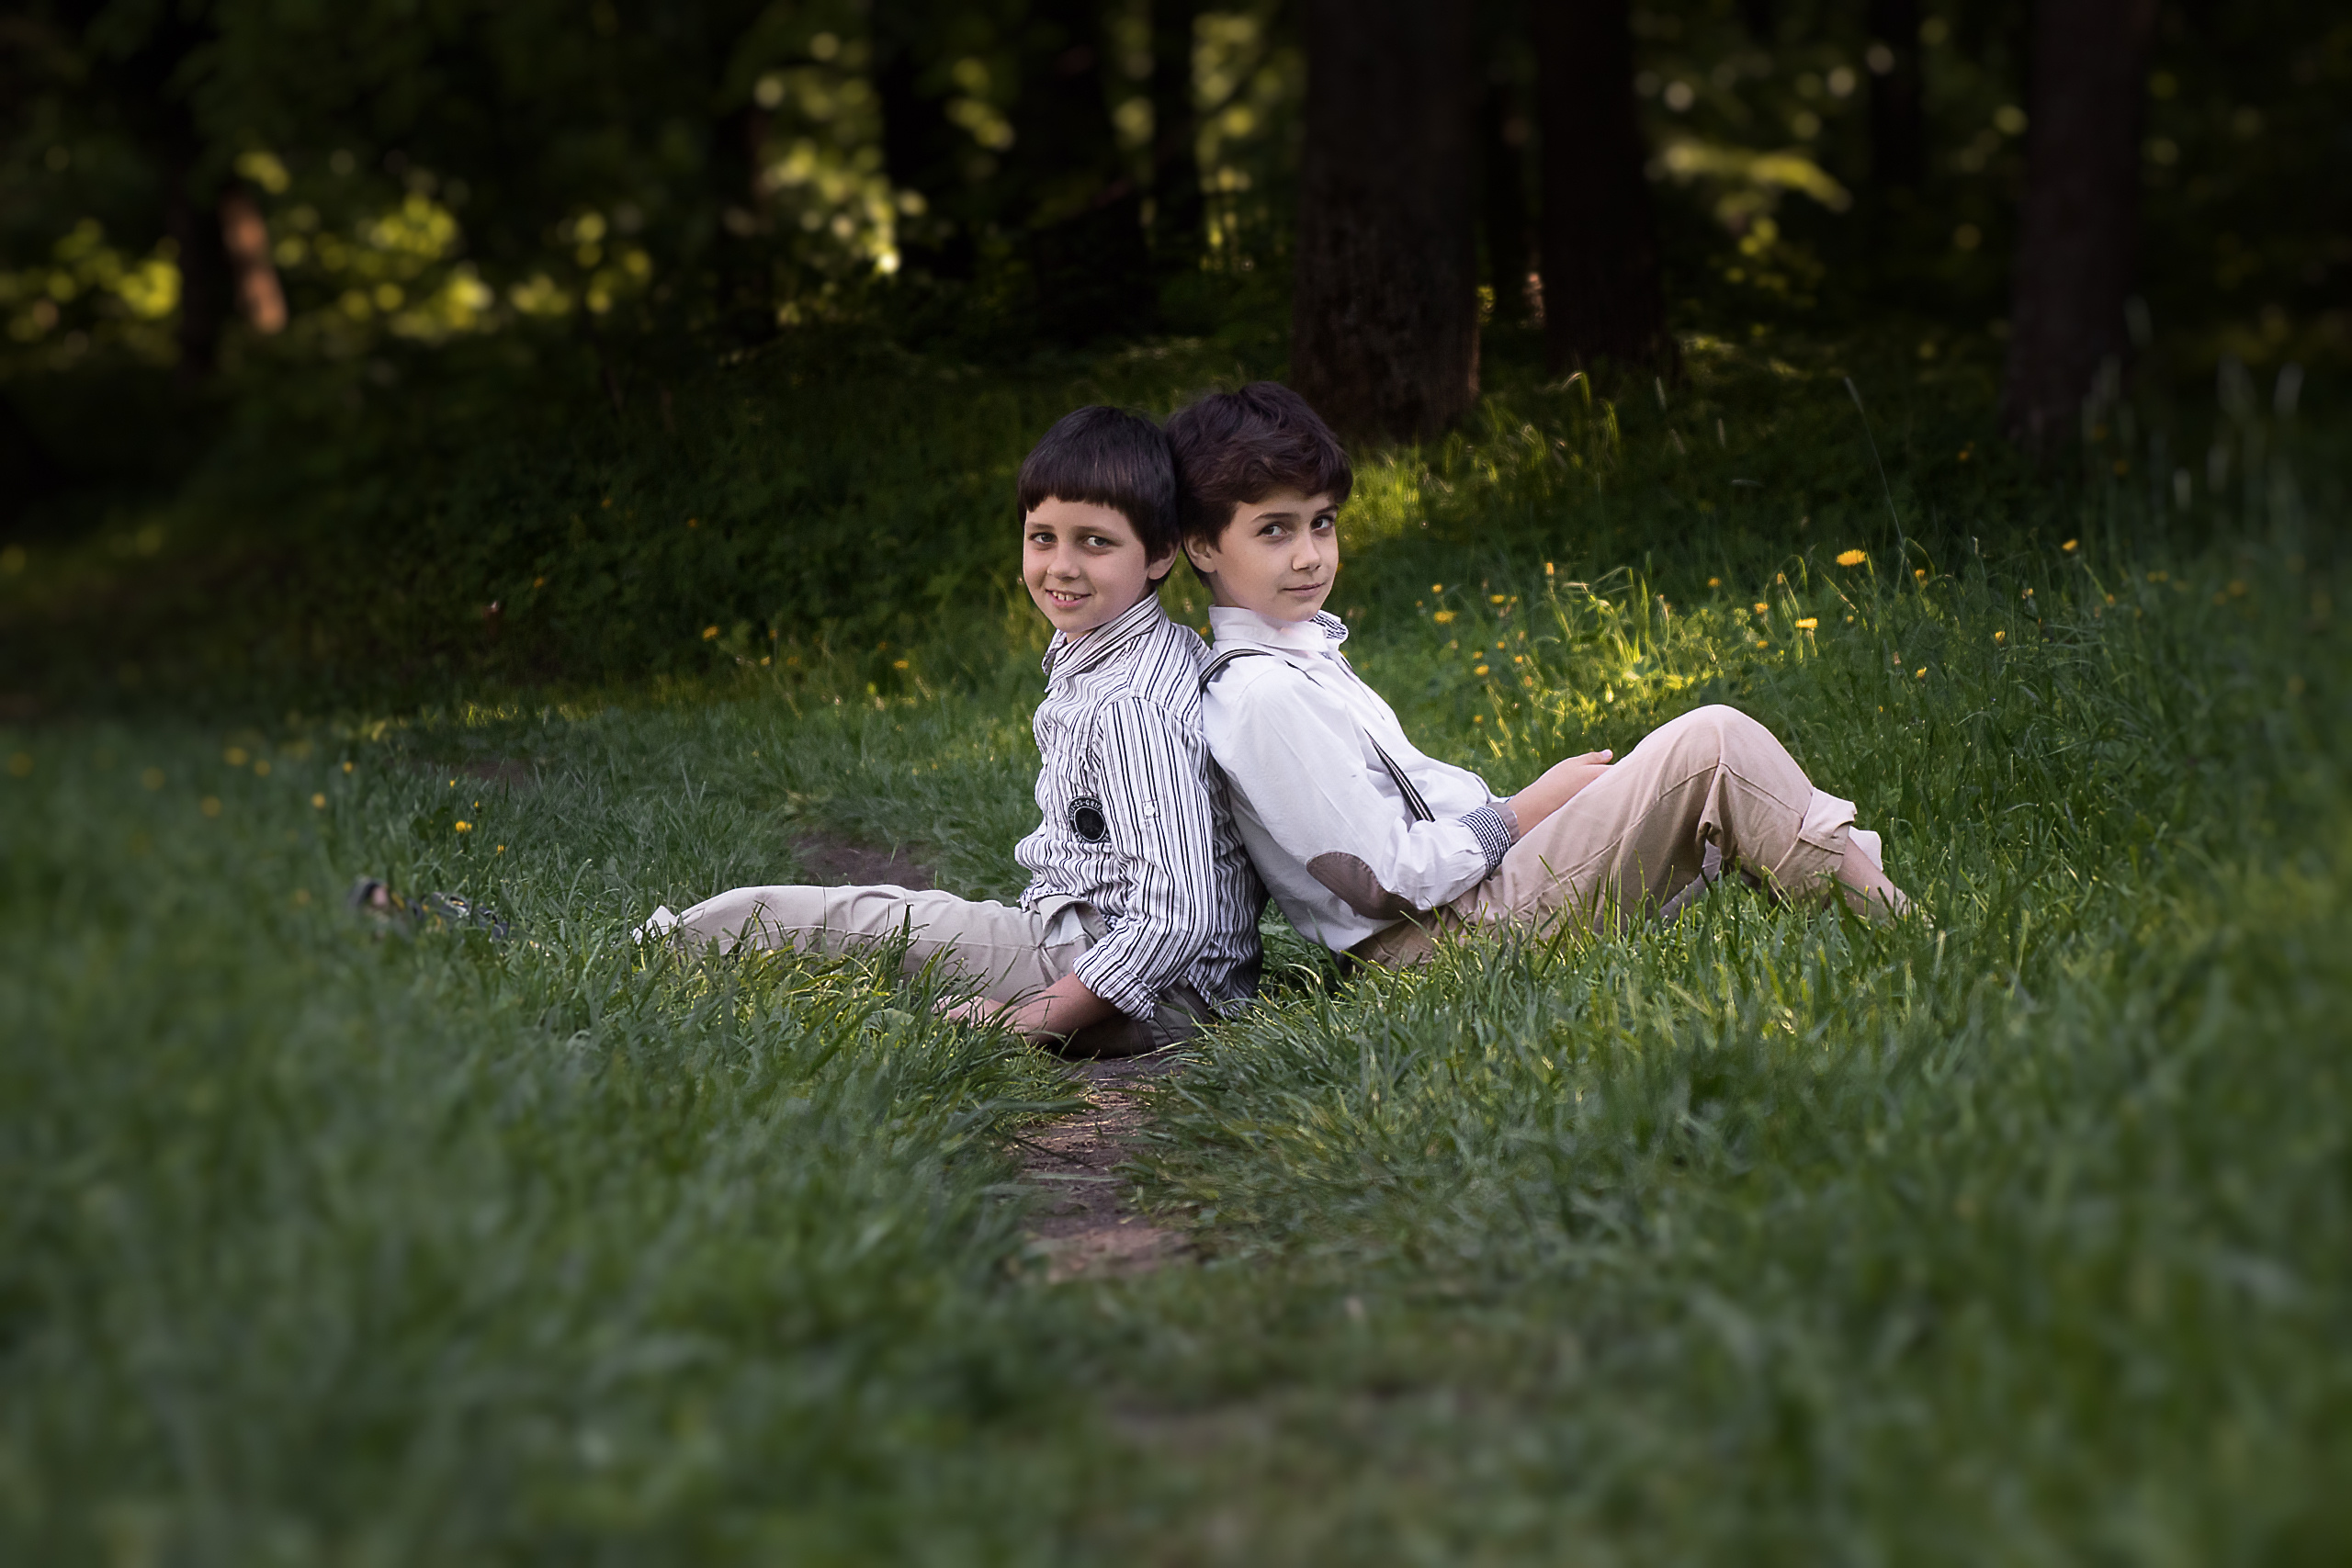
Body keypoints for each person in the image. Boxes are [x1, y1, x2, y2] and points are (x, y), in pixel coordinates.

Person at [1166, 382, 1906, 967]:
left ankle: (1860, 916)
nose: (1309, 555)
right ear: (1201, 543)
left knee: (1698, 779)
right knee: (1712, 745)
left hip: (1466, 909)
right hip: (1439, 945)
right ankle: (1902, 932)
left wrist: (1537, 812)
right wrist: (1527, 807)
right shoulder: (1262, 694)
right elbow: (1381, 880)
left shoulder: (1299, 659)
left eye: (1321, 522)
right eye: (1275, 530)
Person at [642, 406, 1263, 1055]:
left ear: (1161, 552)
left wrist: (1029, 1017)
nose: (1061, 565)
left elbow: (1178, 915)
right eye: (1042, 536)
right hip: (1153, 968)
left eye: (1096, 542)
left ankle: (648, 953)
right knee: (902, 926)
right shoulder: (1141, 655)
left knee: (849, 921)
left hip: (1145, 978)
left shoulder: (1131, 702)